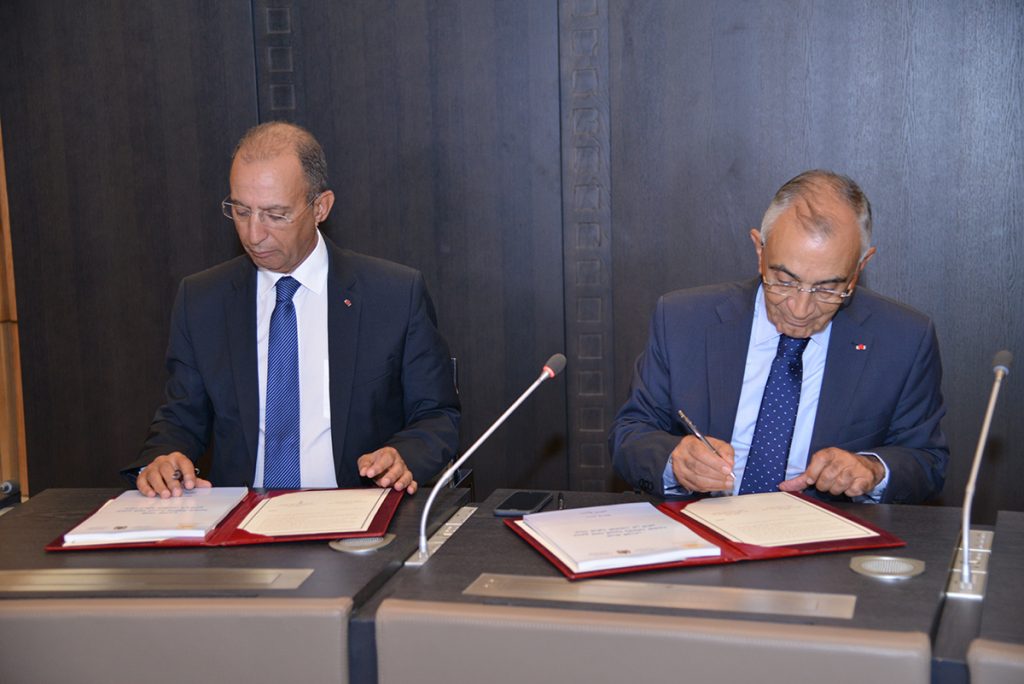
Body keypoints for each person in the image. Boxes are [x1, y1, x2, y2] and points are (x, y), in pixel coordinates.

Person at [124, 121, 460, 497]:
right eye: (241, 211)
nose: (253, 234)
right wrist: (162, 459)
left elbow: (437, 415)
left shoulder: (393, 295)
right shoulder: (202, 300)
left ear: (320, 207)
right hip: (240, 516)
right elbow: (180, 418)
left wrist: (404, 456)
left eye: (275, 214)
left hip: (355, 511)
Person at [610, 170, 947, 503]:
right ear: (760, 250)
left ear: (860, 267)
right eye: (784, 281)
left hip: (825, 531)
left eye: (827, 288)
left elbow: (927, 460)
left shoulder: (903, 339)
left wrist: (872, 469)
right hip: (703, 525)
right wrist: (675, 460)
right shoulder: (684, 320)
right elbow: (631, 434)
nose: (800, 309)